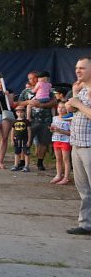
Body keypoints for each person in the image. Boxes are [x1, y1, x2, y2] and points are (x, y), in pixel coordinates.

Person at [64, 57, 91, 235]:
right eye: (76, 68)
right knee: (83, 189)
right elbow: (69, 109)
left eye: (82, 68)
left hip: (89, 146)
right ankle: (86, 224)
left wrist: (78, 104)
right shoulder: (81, 90)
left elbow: (80, 108)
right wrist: (74, 96)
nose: (78, 71)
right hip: (77, 144)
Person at [17, 71, 55, 171]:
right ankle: (23, 162)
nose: (32, 80)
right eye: (30, 79)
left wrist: (42, 105)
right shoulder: (26, 91)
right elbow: (19, 103)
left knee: (43, 142)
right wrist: (28, 102)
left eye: (34, 78)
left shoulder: (47, 87)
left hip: (45, 120)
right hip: (31, 121)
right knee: (26, 141)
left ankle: (40, 162)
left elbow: (54, 102)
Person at [50, 101, 72, 185]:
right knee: (58, 159)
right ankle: (58, 175)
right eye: (59, 107)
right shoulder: (55, 118)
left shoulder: (69, 119)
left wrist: (60, 131)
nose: (60, 109)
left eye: (63, 108)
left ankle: (66, 177)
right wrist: (52, 129)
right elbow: (52, 130)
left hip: (65, 141)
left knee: (65, 159)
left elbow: (71, 133)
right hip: (56, 140)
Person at [10, 105, 31, 172]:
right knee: (17, 152)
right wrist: (12, 140)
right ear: (16, 113)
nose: (20, 113)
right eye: (18, 112)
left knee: (26, 153)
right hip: (17, 139)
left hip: (25, 139)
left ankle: (26, 166)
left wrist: (29, 140)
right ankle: (16, 165)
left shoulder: (26, 121)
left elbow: (29, 131)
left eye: (21, 112)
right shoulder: (14, 121)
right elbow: (12, 131)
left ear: (24, 113)